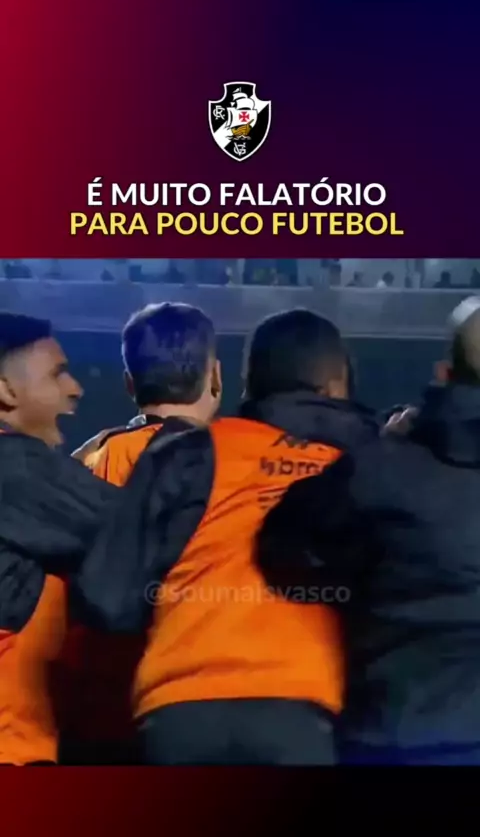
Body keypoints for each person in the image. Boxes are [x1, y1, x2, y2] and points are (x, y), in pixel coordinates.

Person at [74, 308, 378, 765]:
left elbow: (107, 597)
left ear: (242, 383)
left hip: (179, 705)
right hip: (308, 702)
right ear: (338, 384)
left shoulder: (191, 452)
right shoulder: (368, 465)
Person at [258, 296, 480, 765]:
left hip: (390, 733)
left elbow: (281, 551)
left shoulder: (378, 469)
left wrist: (359, 580)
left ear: (444, 374)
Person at [59, 302, 222, 764]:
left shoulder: (92, 457)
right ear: (215, 376)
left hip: (98, 690)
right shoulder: (232, 458)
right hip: (196, 691)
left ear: (130, 383)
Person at [0, 312, 114, 765]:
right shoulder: (17, 465)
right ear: (6, 391)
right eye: (57, 374)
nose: (75, 388)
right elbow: (138, 530)